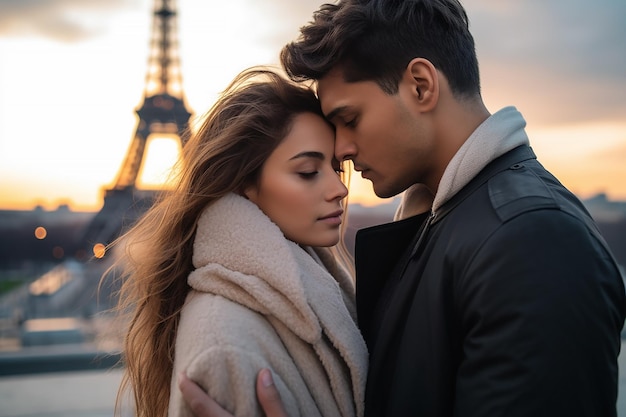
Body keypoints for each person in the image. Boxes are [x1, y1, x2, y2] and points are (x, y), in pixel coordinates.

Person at [179, 0, 626, 416]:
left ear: (421, 85)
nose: (344, 149)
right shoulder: (457, 226)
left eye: (349, 119)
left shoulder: (534, 242)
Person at [111, 67, 368, 417]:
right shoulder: (225, 346)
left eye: (336, 169)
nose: (340, 189)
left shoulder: (302, 293)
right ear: (242, 183)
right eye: (308, 172)